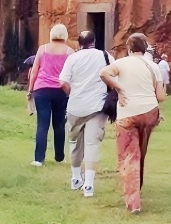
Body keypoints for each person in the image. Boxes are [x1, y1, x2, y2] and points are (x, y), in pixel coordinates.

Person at [100, 33, 166, 213]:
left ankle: (133, 202)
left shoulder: (121, 63)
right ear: (145, 49)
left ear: (129, 48)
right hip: (149, 111)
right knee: (141, 153)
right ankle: (138, 186)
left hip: (128, 112)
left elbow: (104, 73)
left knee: (130, 156)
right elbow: (160, 96)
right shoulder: (153, 66)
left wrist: (119, 87)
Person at [59, 30, 110, 197]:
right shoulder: (105, 56)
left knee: (74, 142)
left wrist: (71, 93)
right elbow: (114, 74)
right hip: (97, 106)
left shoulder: (72, 58)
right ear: (94, 41)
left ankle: (75, 178)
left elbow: (63, 82)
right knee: (91, 144)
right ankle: (88, 185)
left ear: (78, 43)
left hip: (75, 106)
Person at [28, 25, 74, 166]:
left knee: (42, 124)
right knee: (59, 124)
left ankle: (38, 159)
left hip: (42, 89)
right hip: (61, 90)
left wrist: (30, 89)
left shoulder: (43, 49)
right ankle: (59, 157)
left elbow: (34, 70)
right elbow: (72, 74)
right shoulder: (70, 52)